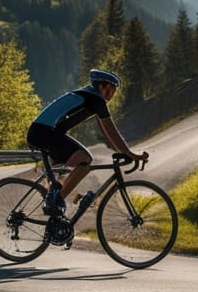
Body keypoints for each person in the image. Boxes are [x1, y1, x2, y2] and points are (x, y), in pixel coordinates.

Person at [27, 69, 147, 214]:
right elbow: (111, 130)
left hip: (43, 132)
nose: (112, 95)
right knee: (85, 159)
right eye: (110, 89)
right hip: (44, 133)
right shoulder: (95, 99)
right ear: (102, 87)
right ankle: (55, 203)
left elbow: (106, 133)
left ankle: (54, 213)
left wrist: (122, 152)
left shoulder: (88, 96)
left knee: (65, 174)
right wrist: (129, 153)